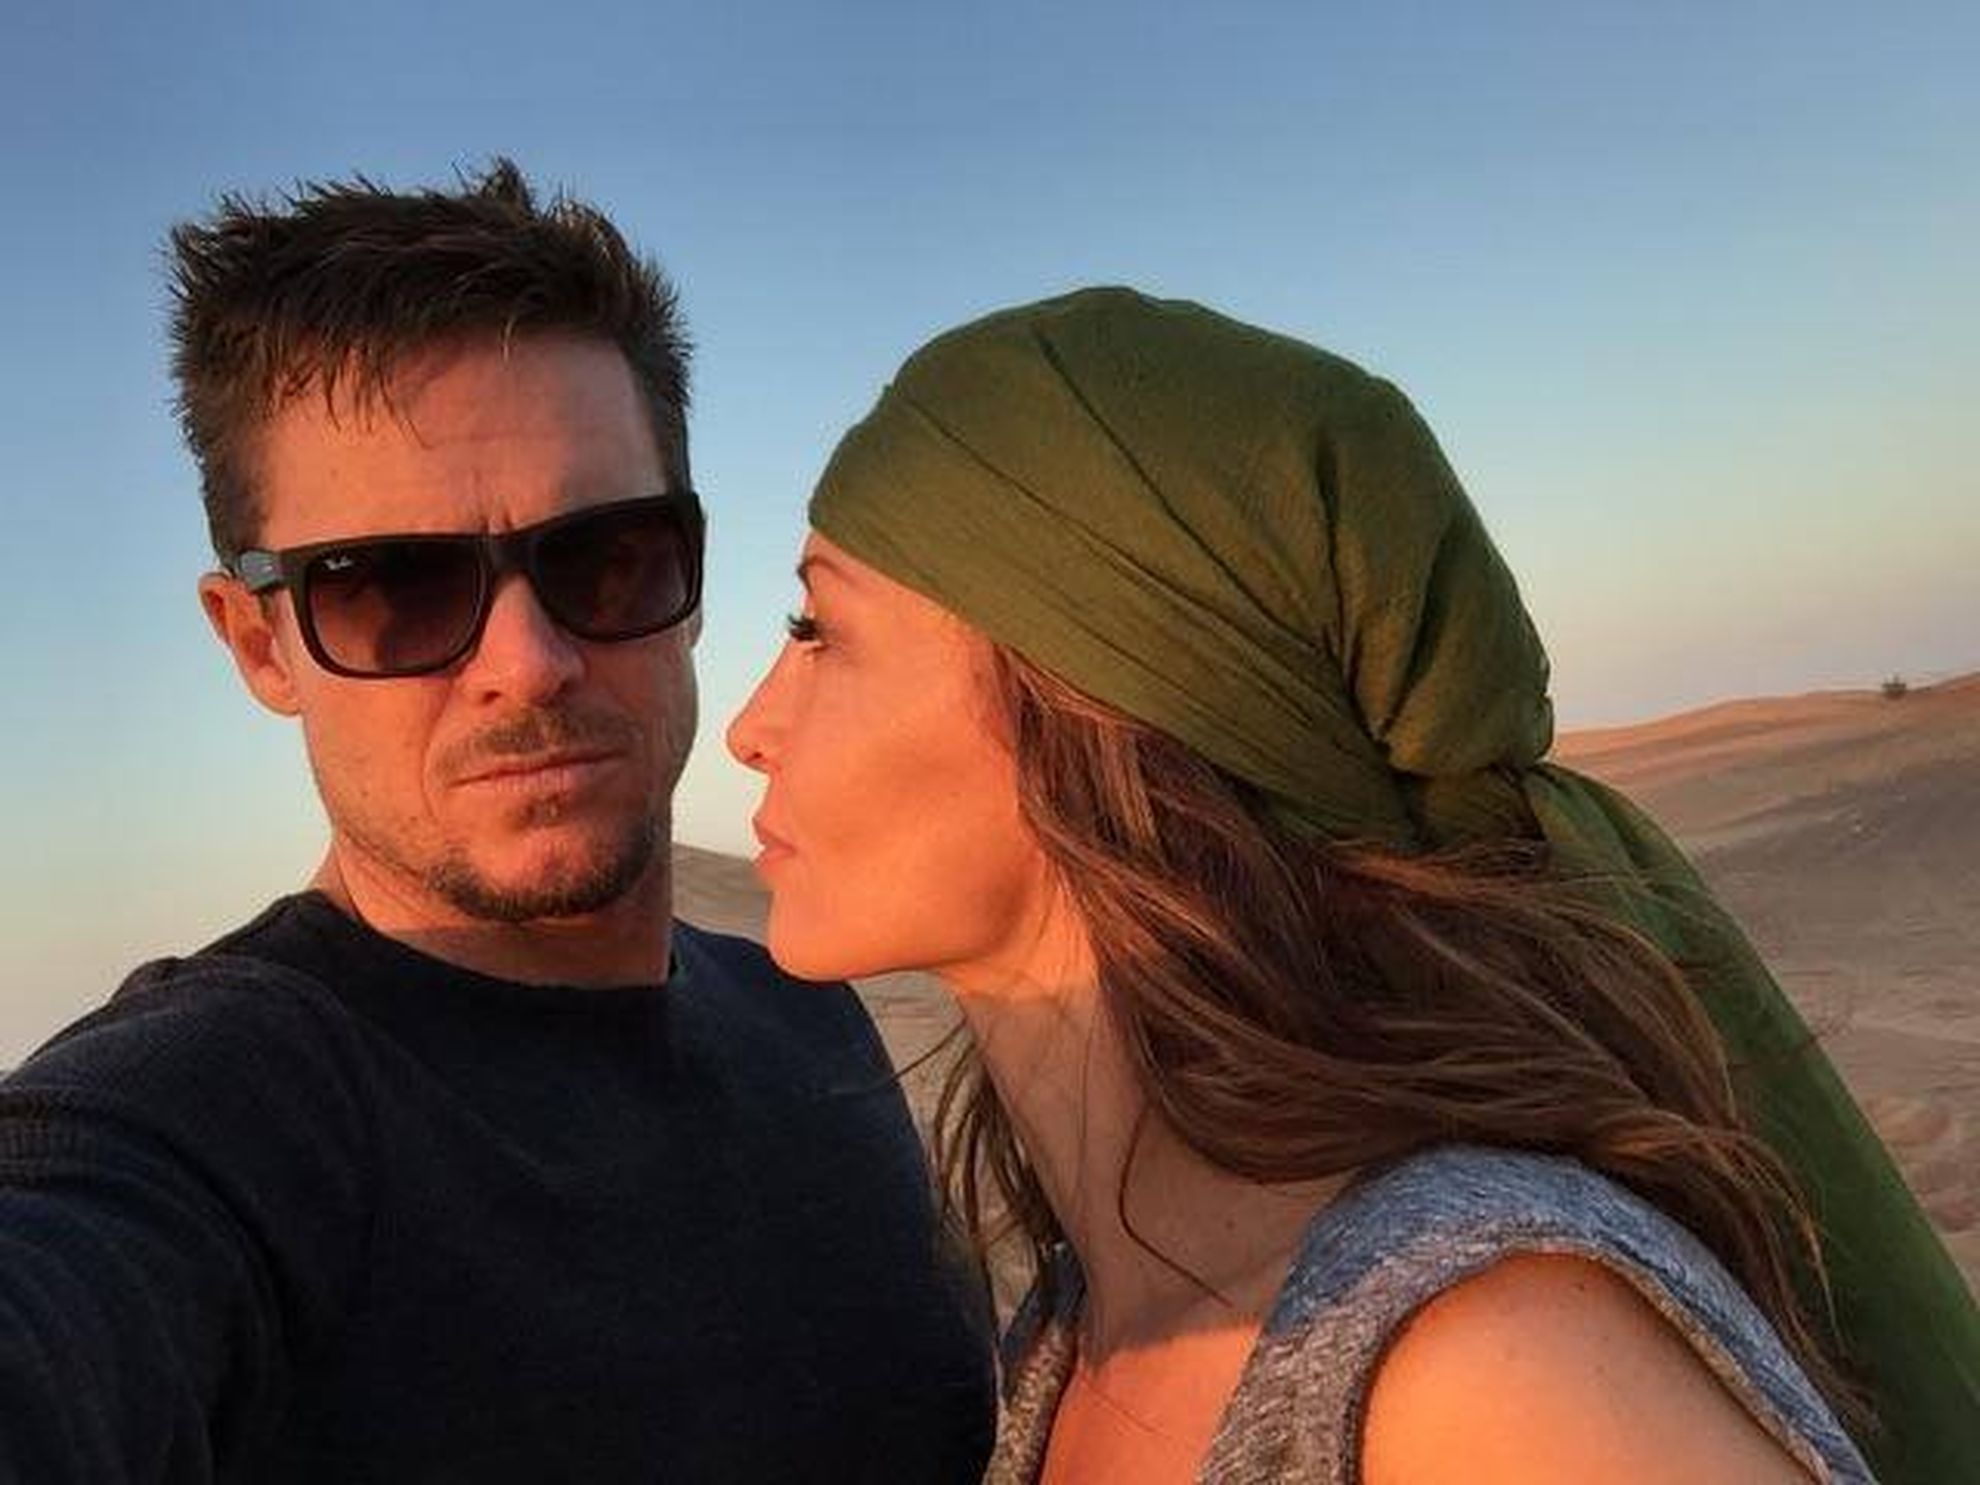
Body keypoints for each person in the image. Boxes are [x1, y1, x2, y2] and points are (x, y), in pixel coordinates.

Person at [728, 287, 1980, 1483]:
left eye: (819, 631)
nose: (750, 729)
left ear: (1105, 700)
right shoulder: (1094, 1312)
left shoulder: (1494, 1376)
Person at [0, 162, 994, 1482]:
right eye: (390, 589)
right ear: (259, 644)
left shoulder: (808, 1011)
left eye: (605, 558)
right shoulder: (213, 1117)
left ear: (692, 571)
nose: (527, 664)